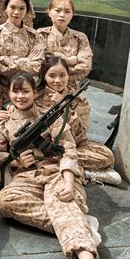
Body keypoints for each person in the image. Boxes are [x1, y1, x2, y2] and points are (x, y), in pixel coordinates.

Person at [0, 72, 103, 259]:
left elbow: (69, 149)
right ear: (9, 93)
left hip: (57, 171)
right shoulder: (4, 123)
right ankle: (81, 224)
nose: (20, 96)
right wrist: (17, 161)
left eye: (25, 91)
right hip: (27, 176)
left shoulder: (51, 117)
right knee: (6, 201)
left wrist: (68, 181)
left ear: (35, 92)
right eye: (15, 91)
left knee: (61, 201)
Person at [38, 56, 121, 186]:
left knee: (107, 156)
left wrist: (64, 107)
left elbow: (81, 133)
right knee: (37, 155)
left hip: (73, 145)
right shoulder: (35, 96)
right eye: (52, 76)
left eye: (62, 75)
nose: (57, 80)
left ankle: (68, 169)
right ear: (44, 77)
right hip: (46, 147)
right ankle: (84, 172)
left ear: (68, 76)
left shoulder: (78, 99)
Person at [0, 0, 45, 80]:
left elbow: (38, 66)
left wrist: (5, 60)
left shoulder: (34, 35)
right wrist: (26, 61)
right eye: (12, 7)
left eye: (21, 8)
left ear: (27, 10)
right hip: (1, 84)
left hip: (27, 84)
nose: (16, 12)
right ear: (5, 8)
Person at [37, 0, 93, 84]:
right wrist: (68, 60)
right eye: (57, 10)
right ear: (49, 12)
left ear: (72, 14)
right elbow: (37, 64)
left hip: (71, 87)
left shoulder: (80, 38)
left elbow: (85, 67)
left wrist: (61, 77)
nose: (62, 15)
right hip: (43, 86)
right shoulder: (40, 35)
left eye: (67, 11)